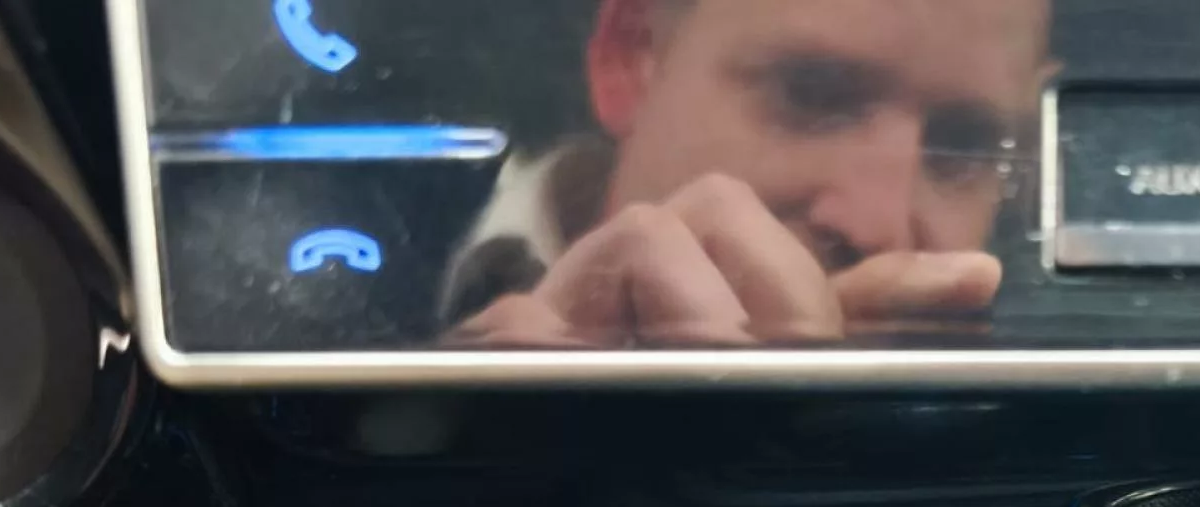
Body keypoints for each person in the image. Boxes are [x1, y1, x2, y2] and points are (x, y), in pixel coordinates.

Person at [446, 0, 1052, 348]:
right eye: (813, 94)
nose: (879, 227)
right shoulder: (398, 278)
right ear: (631, 58)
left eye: (966, 144)